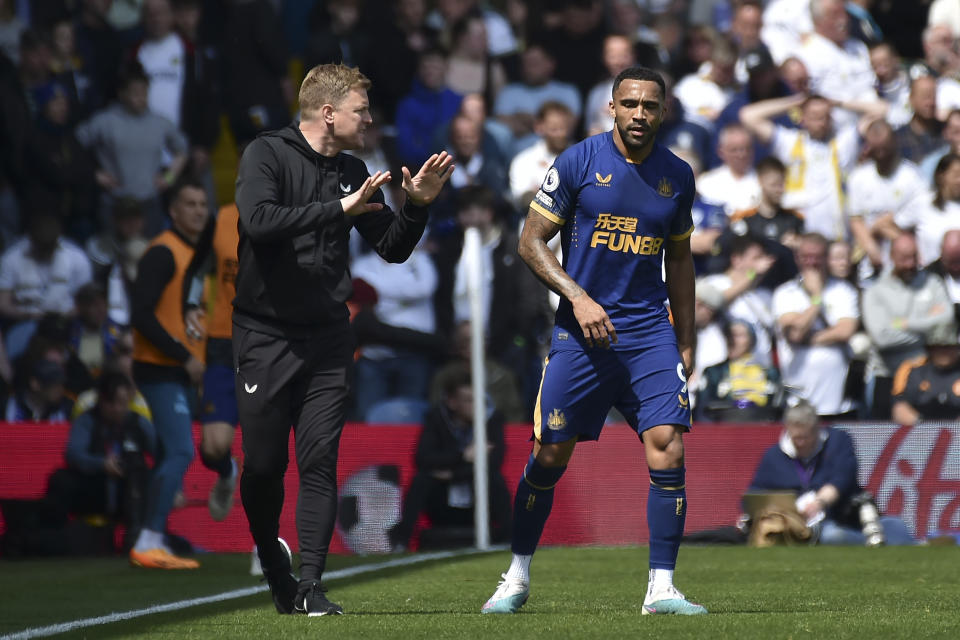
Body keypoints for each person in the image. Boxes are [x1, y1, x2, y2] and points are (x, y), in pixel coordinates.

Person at [481, 66, 706, 616]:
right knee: (550, 454)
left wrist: (686, 336)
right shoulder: (579, 161)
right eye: (628, 104)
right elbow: (531, 242)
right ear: (611, 107)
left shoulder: (676, 175)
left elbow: (679, 259)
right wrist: (578, 298)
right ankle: (517, 574)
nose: (638, 114)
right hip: (580, 334)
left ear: (663, 112)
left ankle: (661, 588)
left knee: (667, 445)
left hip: (649, 332)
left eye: (649, 106)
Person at [233, 63, 453, 616]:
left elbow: (394, 248)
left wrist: (419, 205)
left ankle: (309, 585)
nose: (370, 119)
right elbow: (258, 222)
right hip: (265, 332)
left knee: (319, 461)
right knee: (261, 465)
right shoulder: (266, 153)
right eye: (361, 110)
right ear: (328, 114)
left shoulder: (355, 169)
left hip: (329, 336)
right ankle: (271, 558)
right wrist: (339, 209)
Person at [128, 178, 209, 570]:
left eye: (201, 203)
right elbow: (140, 314)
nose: (197, 210)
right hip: (160, 368)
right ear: (173, 211)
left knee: (168, 453)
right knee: (180, 450)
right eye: (189, 204)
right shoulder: (163, 253)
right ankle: (148, 539)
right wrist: (183, 356)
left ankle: (152, 535)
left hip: (181, 371)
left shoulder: (195, 255)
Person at [747, 400, 914, 546]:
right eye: (796, 438)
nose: (801, 443)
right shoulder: (774, 456)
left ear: (816, 430)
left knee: (897, 527)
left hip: (843, 515)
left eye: (805, 437)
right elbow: (756, 492)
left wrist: (820, 502)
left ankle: (880, 539)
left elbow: (843, 477)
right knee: (832, 536)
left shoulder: (838, 441)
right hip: (801, 525)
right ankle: (872, 542)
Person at [388, 366, 512, 551]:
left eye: (479, 400)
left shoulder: (492, 421)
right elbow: (423, 459)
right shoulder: (436, 420)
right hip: (443, 503)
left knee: (495, 480)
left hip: (478, 502)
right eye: (469, 400)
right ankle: (401, 542)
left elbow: (494, 463)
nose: (477, 406)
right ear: (452, 402)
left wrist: (452, 474)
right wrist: (463, 456)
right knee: (421, 480)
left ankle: (510, 540)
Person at [46, 370, 155, 551]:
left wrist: (175, 488)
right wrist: (101, 464)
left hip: (129, 489)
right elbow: (73, 454)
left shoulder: (139, 423)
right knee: (61, 480)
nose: (120, 409)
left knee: (144, 477)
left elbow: (162, 455)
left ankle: (138, 538)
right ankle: (54, 539)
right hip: (95, 486)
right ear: (102, 401)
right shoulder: (86, 421)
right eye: (114, 403)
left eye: (124, 403)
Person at [862, 233, 952, 418]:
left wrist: (905, 323)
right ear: (892, 257)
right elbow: (882, 339)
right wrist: (929, 335)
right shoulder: (875, 291)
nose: (910, 264)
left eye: (914, 257)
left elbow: (947, 319)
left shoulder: (932, 282)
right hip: (888, 376)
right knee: (884, 442)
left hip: (926, 377)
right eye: (904, 259)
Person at [772, 233, 860, 418]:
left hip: (838, 402)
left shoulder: (843, 290)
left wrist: (807, 339)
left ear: (827, 258)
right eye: (806, 257)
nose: (811, 263)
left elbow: (845, 331)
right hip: (798, 400)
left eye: (817, 257)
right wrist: (817, 299)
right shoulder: (786, 292)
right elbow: (794, 334)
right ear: (797, 258)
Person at [891, 321, 960, 425]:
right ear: (929, 349)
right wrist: (924, 427)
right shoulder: (913, 371)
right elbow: (899, 406)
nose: (944, 352)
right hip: (920, 434)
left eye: (949, 347)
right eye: (938, 347)